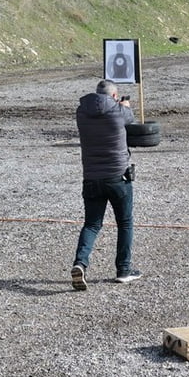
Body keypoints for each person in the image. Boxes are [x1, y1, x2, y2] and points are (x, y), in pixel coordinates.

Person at [71, 79, 142, 290]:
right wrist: (125, 105)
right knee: (125, 223)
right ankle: (124, 270)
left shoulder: (81, 112)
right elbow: (130, 118)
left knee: (92, 224)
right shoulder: (119, 112)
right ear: (114, 96)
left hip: (91, 177)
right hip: (117, 176)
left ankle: (80, 263)